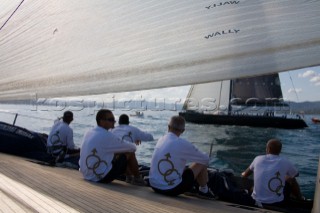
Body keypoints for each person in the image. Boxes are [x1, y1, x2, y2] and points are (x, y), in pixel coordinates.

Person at [148, 115, 216, 199]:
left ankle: (198, 189)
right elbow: (205, 159)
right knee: (201, 161)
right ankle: (204, 190)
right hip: (170, 189)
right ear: (183, 131)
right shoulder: (182, 143)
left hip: (154, 185)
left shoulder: (161, 139)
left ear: (168, 127)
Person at [79, 109, 145, 185]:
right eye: (110, 120)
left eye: (113, 119)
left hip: (86, 174)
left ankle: (129, 177)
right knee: (129, 152)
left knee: (118, 152)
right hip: (100, 177)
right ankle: (137, 179)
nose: (114, 121)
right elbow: (132, 148)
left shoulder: (89, 132)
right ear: (101, 121)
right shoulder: (107, 135)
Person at [241, 138, 304, 208]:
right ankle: (300, 198)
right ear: (280, 150)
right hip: (276, 202)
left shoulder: (257, 159)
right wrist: (285, 175)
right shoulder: (285, 161)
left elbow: (245, 175)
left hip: (255, 200)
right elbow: (296, 174)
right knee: (291, 179)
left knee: (254, 186)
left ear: (268, 149)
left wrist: (243, 174)